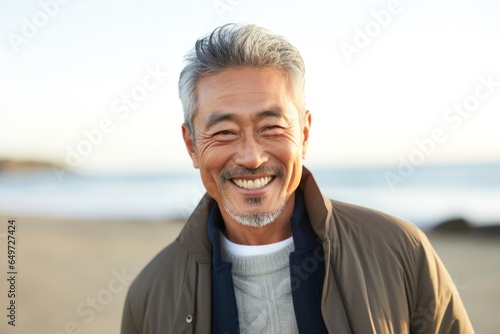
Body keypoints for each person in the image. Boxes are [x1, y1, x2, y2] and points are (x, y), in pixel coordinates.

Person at [121, 23, 474, 334]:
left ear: (304, 134)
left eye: (271, 127)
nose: (252, 157)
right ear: (191, 145)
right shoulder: (151, 293)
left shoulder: (399, 250)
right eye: (225, 132)